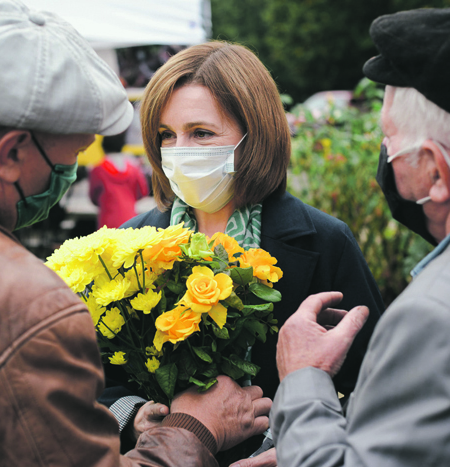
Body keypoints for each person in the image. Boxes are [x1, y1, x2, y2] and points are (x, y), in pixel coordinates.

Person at [0, 1, 273, 466]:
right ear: (12, 152)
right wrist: (193, 429)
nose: (67, 176)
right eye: (69, 156)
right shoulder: (21, 305)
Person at [100, 41, 385, 464]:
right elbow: (101, 385)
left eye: (201, 133)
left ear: (254, 135)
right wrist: (137, 415)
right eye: (166, 135)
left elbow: (377, 388)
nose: (179, 150)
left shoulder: (326, 241)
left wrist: (291, 450)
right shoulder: (128, 244)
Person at [269, 6, 450, 467]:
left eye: (389, 138)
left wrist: (305, 379)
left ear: (436, 172)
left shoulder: (437, 318)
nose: (383, 155)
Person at [88, 132, 149, 228]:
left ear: (103, 147)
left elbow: (93, 197)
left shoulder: (98, 170)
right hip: (131, 220)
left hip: (107, 222)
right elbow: (143, 192)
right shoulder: (134, 169)